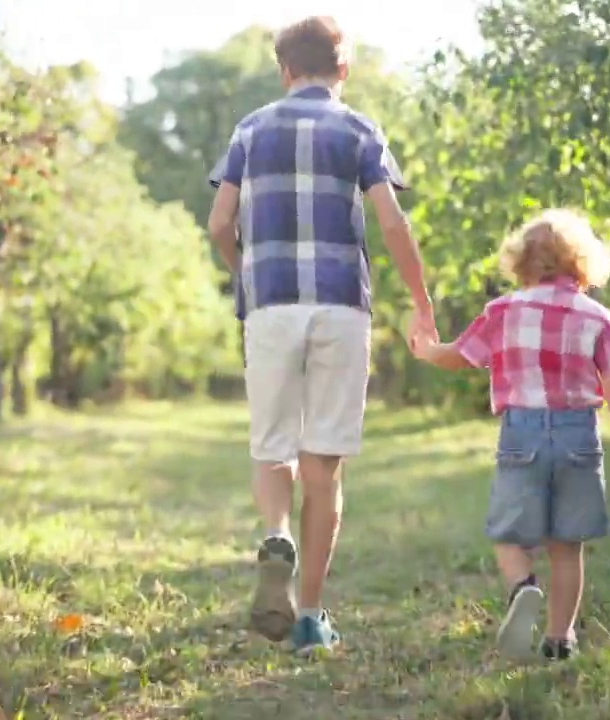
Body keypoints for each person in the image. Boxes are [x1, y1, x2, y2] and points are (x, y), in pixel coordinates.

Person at [206, 15, 437, 655]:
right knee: (323, 463)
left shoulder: (250, 129)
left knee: (271, 446)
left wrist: (248, 276)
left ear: (284, 70)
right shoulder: (359, 128)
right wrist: (421, 303)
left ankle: (275, 530)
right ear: (344, 68)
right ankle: (309, 616)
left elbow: (220, 223)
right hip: (340, 307)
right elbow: (391, 225)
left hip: (272, 307)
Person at [411, 208, 610, 660]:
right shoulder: (598, 318)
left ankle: (523, 587)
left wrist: (426, 351)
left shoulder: (503, 311)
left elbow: (461, 356)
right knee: (567, 545)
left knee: (507, 533)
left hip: (523, 433)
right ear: (582, 262)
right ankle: (561, 641)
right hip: (578, 436)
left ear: (520, 263)